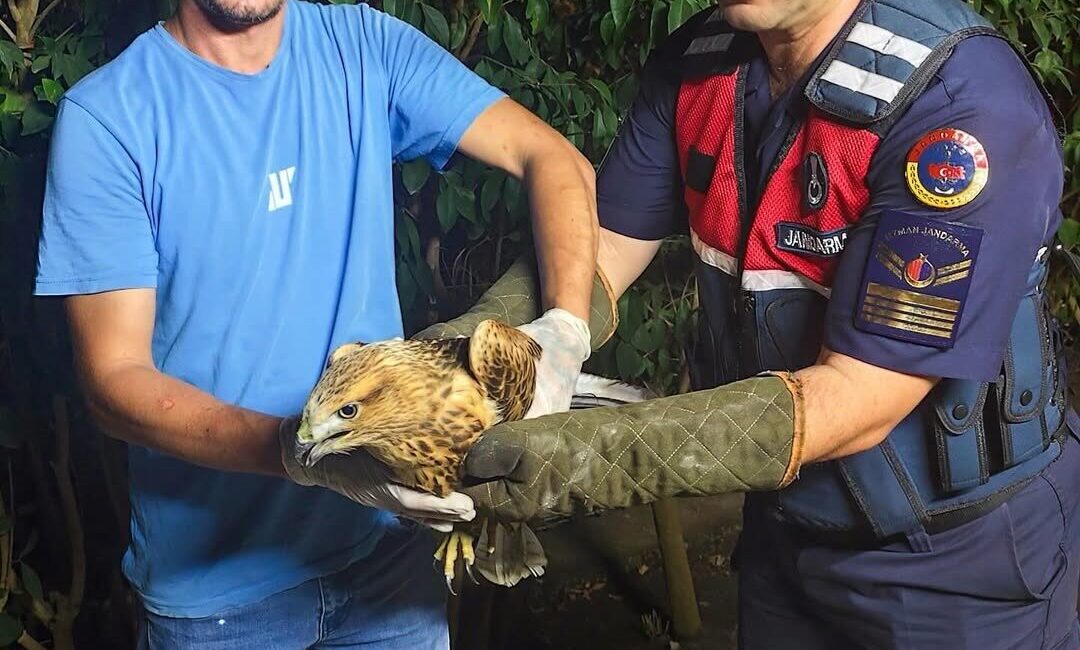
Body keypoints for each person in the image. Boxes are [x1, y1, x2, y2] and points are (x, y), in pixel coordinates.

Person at [445, 0, 1080, 648]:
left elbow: (863, 395)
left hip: (958, 561)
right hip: (784, 533)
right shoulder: (701, 66)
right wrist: (463, 352)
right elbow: (602, 249)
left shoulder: (956, 106)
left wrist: (595, 459)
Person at [33, 0, 600, 647]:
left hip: (389, 555)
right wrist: (293, 454)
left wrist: (564, 333)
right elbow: (113, 380)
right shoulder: (109, 118)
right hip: (218, 592)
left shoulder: (362, 46)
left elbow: (554, 159)